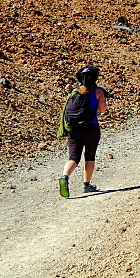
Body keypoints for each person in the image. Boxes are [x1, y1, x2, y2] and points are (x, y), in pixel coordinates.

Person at [59, 66, 107, 197]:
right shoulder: (98, 91)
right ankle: (87, 185)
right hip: (91, 128)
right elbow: (103, 110)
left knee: (74, 158)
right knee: (89, 157)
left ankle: (64, 177)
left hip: (74, 129)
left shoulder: (75, 92)